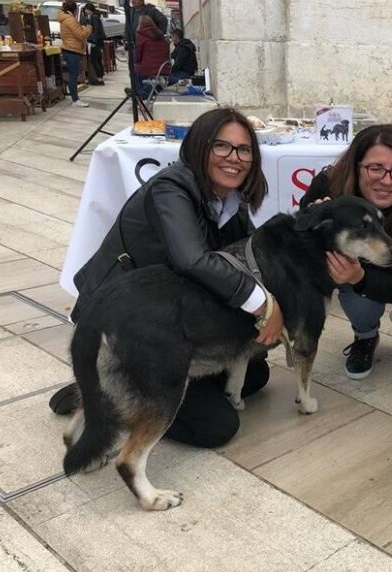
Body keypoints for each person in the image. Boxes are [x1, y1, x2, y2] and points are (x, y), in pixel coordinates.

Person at [49, 108, 284, 448]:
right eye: (222, 147)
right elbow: (192, 259)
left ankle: (108, 387)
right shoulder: (170, 189)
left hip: (165, 320)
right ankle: (113, 392)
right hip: (123, 327)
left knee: (255, 373)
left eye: (244, 149)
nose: (235, 158)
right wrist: (263, 303)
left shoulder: (232, 198)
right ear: (199, 148)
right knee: (217, 426)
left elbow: (250, 255)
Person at [300, 124, 392, 379]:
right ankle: (365, 335)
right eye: (375, 168)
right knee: (353, 285)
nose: (386, 180)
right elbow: (301, 229)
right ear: (355, 167)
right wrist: (315, 213)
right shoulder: (329, 187)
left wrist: (362, 278)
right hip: (359, 275)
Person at [57, 1, 91, 107]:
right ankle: (75, 99)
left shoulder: (65, 19)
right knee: (73, 75)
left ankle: (74, 97)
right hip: (73, 50)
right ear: (74, 10)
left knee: (73, 74)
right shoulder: (70, 20)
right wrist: (88, 28)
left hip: (70, 48)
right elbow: (80, 35)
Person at [134, 14, 170, 93]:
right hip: (164, 69)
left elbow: (137, 56)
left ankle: (140, 94)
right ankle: (148, 92)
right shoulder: (160, 35)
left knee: (135, 71)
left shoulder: (141, 35)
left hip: (149, 69)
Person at [83, 3, 106, 86]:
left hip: (96, 42)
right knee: (98, 59)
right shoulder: (95, 16)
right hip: (98, 41)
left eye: (86, 9)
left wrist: (94, 41)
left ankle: (99, 78)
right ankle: (100, 78)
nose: (85, 11)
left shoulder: (94, 17)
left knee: (94, 59)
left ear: (89, 9)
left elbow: (96, 30)